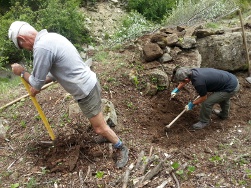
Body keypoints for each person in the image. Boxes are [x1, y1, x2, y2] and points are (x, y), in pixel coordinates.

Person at [9, 21, 128, 168]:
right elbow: (54, 73)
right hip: (90, 81)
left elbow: (36, 83)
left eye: (22, 46)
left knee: (98, 127)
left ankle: (120, 146)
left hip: (85, 91)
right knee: (98, 119)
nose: (26, 49)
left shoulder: (41, 47)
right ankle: (105, 130)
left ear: (22, 38)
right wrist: (36, 82)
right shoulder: (51, 37)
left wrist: (21, 71)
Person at [170, 67, 240, 129]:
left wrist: (191, 104)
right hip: (229, 79)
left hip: (231, 87)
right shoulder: (192, 71)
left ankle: (204, 121)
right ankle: (224, 115)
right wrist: (176, 90)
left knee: (207, 103)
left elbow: (203, 97)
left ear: (186, 79)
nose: (181, 82)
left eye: (182, 81)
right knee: (223, 98)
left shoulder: (199, 82)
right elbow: (184, 80)